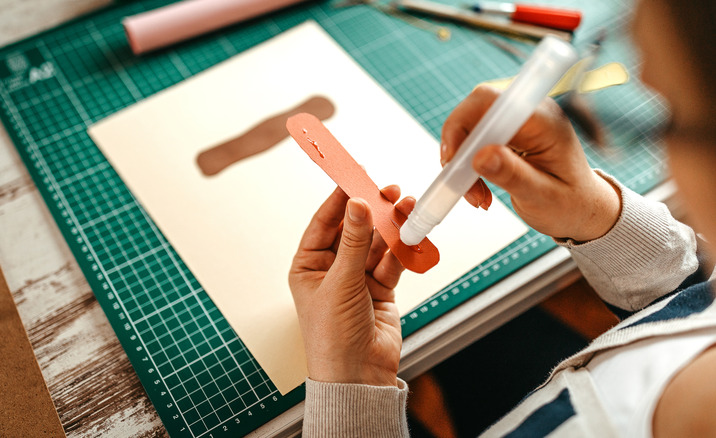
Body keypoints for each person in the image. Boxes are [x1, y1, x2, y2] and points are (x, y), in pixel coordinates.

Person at [287, 0, 716, 435]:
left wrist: (351, 382)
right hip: (601, 363)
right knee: (480, 353)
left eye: (667, 109)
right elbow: (700, 297)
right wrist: (598, 213)